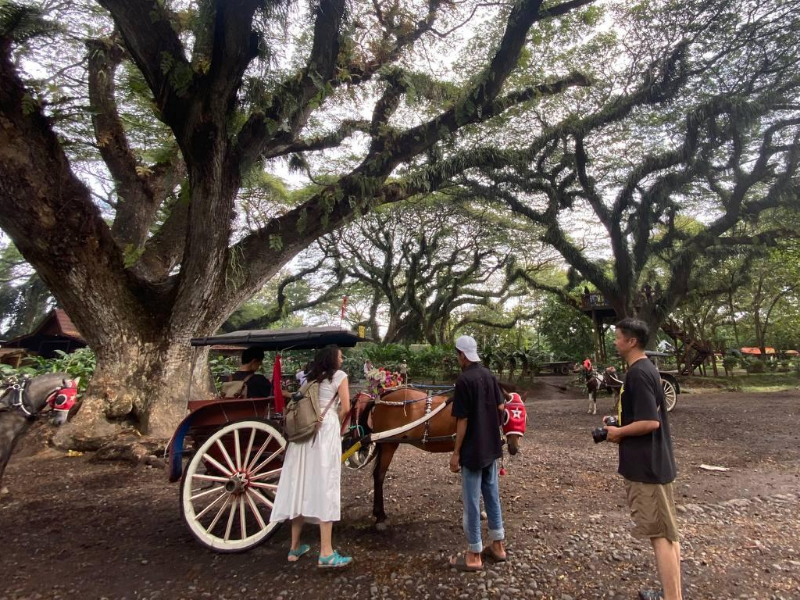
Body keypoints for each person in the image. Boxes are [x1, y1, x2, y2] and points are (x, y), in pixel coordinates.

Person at [604, 318, 681, 600]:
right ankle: (671, 593)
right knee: (666, 532)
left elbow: (650, 422)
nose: (615, 341)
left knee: (660, 535)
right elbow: (646, 415)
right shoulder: (647, 369)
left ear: (631, 341)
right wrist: (618, 422)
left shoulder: (638, 373)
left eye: (617, 337)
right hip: (656, 462)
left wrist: (619, 432)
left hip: (648, 466)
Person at [270, 346, 353, 568]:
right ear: (332, 358)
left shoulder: (309, 377)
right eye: (340, 354)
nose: (342, 357)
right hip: (323, 433)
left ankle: (294, 547)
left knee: (300, 484)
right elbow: (346, 407)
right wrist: (334, 420)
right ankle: (326, 552)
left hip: (302, 435)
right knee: (326, 484)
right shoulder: (340, 376)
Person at [448, 335, 507, 572]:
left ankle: (473, 555)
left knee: (472, 502)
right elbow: (501, 408)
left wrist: (455, 453)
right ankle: (498, 546)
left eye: (458, 355)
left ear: (462, 355)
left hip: (472, 451)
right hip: (491, 449)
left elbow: (462, 420)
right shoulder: (489, 375)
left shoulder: (464, 381)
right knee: (492, 495)